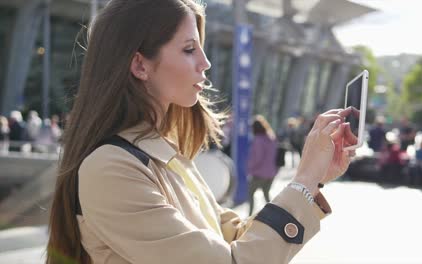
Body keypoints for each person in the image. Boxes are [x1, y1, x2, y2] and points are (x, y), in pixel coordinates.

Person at [46, 1, 357, 263]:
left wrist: (312, 179)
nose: (205, 63)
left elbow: (235, 240)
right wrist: (302, 182)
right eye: (189, 49)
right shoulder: (111, 168)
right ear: (140, 65)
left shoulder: (161, 155)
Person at [247, 115, 278, 215]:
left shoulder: (258, 140)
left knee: (250, 194)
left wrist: (250, 168)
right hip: (271, 172)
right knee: (266, 194)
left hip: (259, 173)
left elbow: (257, 158)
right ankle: (274, 213)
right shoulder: (271, 138)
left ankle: (250, 214)